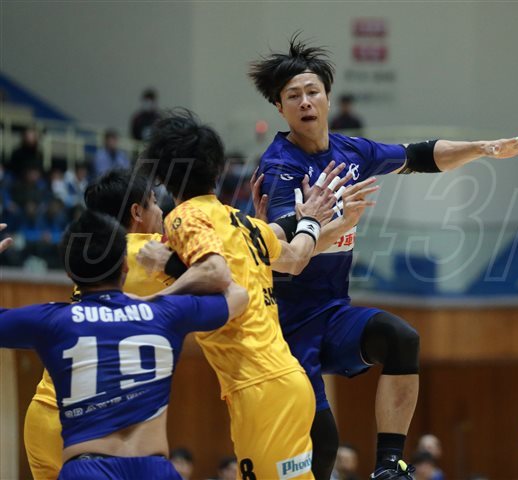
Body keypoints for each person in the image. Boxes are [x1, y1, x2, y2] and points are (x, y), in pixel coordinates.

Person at [249, 35, 518, 480]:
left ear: (328, 97)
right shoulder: (280, 169)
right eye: (293, 96)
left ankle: (388, 466)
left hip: (331, 312)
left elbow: (419, 155)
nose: (305, 102)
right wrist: (340, 226)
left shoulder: (351, 152)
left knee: (400, 337)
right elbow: (287, 258)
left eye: (312, 91)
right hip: (285, 326)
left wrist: (482, 148)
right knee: (323, 443)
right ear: (279, 107)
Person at [139, 109, 344, 478]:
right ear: (217, 170)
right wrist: (311, 220)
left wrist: (150, 302)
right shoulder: (244, 223)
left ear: (164, 177)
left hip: (260, 388)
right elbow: (297, 259)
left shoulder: (184, 217)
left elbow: (214, 271)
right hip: (286, 381)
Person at [0, 209, 248, 479]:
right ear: (125, 266)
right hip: (154, 471)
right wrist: (173, 269)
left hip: (88, 470)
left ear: (70, 274)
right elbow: (238, 295)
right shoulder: (165, 312)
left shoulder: (53, 320)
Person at [22, 168, 190, 480]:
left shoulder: (93, 256)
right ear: (136, 212)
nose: (161, 211)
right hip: (89, 426)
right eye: (155, 203)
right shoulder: (147, 250)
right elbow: (217, 262)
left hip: (42, 413)